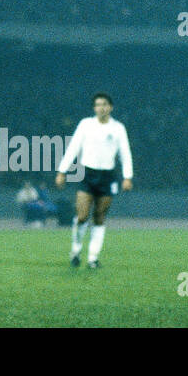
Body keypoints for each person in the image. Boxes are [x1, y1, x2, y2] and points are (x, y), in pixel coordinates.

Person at [55, 93, 134, 268]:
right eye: (98, 105)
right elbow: (73, 148)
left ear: (111, 107)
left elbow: (125, 153)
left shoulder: (118, 128)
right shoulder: (86, 125)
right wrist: (62, 171)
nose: (101, 107)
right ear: (94, 108)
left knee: (99, 216)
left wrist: (127, 176)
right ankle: (75, 251)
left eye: (104, 104)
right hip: (87, 174)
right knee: (82, 215)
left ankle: (93, 258)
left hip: (108, 176)